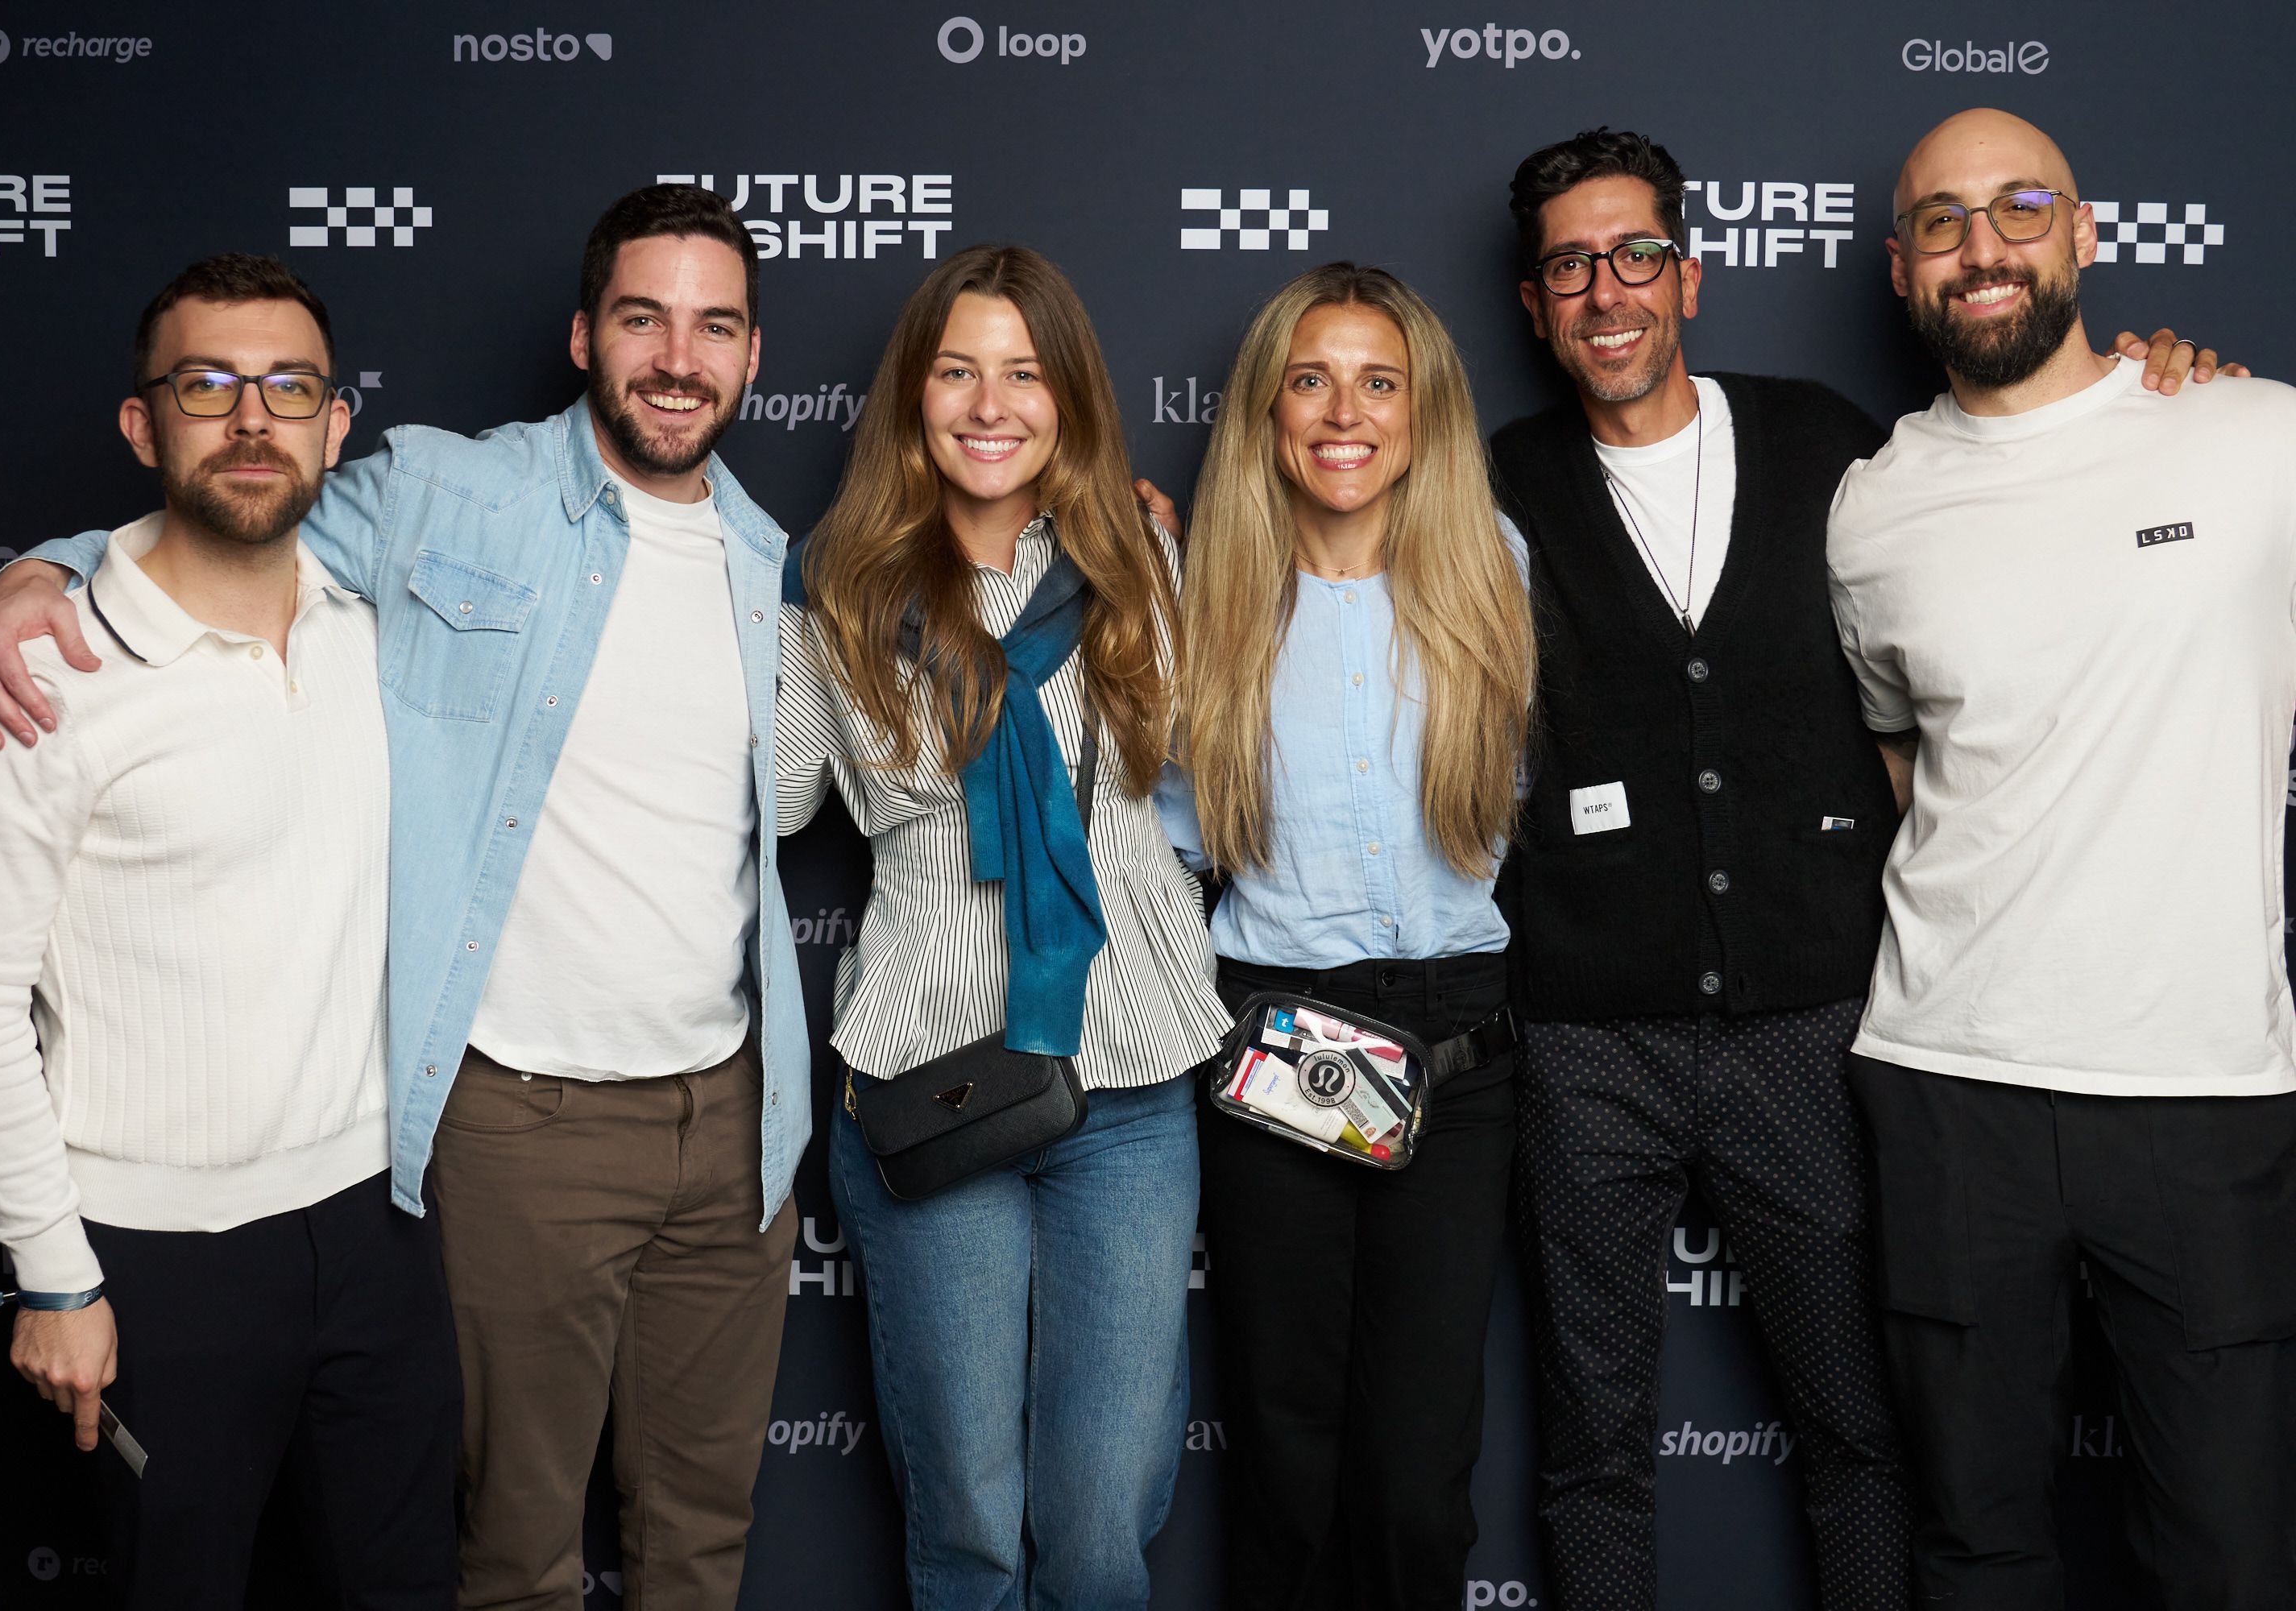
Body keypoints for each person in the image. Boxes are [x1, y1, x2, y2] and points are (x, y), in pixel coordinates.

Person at [0, 186, 805, 1611]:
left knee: (699, 1537)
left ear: (754, 358)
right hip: (525, 1124)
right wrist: (47, 571)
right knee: (516, 1551)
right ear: (586, 335)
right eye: (644, 317)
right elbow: (228, 530)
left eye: (714, 326)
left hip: (731, 1126)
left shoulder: (775, 562)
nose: (677, 356)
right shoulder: (445, 494)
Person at [1486, 126, 2238, 1611]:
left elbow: (2032, 505)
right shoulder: (1486, 483)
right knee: (1591, 1444)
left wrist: (2168, 397)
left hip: (1812, 1033)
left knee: (1863, 1429)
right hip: (1584, 1042)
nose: (1607, 291)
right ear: (1534, 305)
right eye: (1570, 267)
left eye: (1637, 254)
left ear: (1690, 274)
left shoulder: (1837, 446)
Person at [0, 254, 460, 1607]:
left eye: (290, 387)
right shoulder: (40, 675)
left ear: (339, 426)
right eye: (208, 385)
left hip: (376, 1234)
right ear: (144, 426)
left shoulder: (375, 637)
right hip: (150, 1266)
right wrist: (54, 1279)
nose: (252, 418)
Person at [1831, 107, 2296, 1609]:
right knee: (1979, 1545)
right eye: (1942, 222)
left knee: (2225, 1553)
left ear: (2086, 234)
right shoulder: (1870, 506)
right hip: (1952, 1078)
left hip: (2203, 1086)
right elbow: (1908, 768)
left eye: (2019, 207)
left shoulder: (2256, 437)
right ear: (1903, 267)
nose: (1983, 246)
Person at [777, 243, 1229, 1611]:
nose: (991, 403)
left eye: (1025, 374)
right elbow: (779, 789)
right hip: (932, 1076)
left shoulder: (1138, 555)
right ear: (914, 395)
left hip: (1132, 1081)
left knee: (1102, 1521)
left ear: (1070, 398)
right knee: (969, 1516)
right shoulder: (832, 586)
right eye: (959, 370)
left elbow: (1208, 768)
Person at [1157, 262, 1534, 1611]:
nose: (1344, 412)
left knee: (1420, 1467)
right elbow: (1174, 838)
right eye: (1309, 379)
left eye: (1381, 382)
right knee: (1287, 1443)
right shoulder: (1200, 604)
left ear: (1423, 418)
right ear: (1266, 413)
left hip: (1459, 1046)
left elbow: (1524, 800)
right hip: (1279, 1040)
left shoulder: (1497, 573)